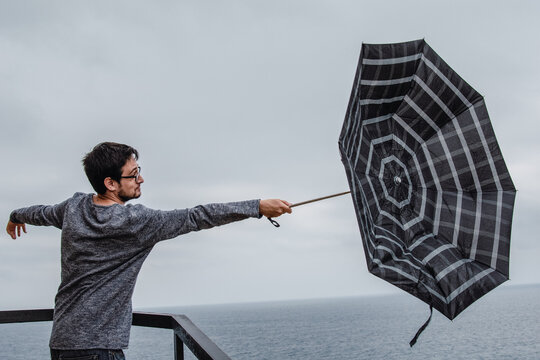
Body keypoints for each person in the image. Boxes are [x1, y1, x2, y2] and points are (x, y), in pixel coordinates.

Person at [6, 142, 292, 360]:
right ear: (110, 183)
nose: (140, 179)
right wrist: (256, 206)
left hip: (62, 342)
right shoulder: (136, 222)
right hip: (99, 349)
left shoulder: (73, 208)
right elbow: (197, 216)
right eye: (133, 175)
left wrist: (16, 215)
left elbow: (40, 213)